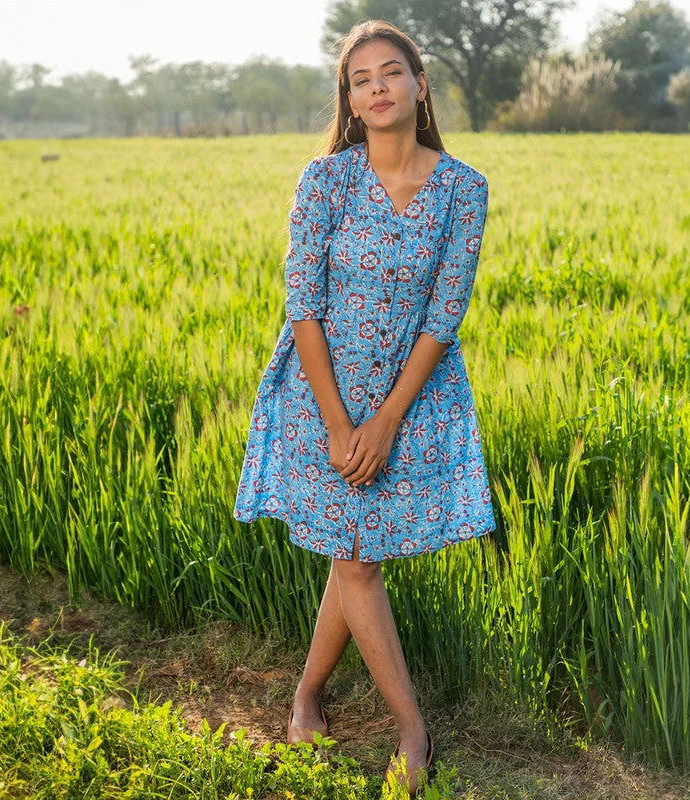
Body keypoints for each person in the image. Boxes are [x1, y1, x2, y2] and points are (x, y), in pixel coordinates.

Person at [233, 18, 496, 797]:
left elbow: (444, 317)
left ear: (420, 84)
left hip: (410, 399)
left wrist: (386, 418)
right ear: (349, 100)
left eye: (391, 72)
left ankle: (307, 695)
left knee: (354, 559)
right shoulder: (325, 181)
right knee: (356, 559)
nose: (377, 87)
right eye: (360, 78)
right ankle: (410, 725)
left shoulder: (464, 189)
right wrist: (343, 420)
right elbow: (302, 305)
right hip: (321, 393)